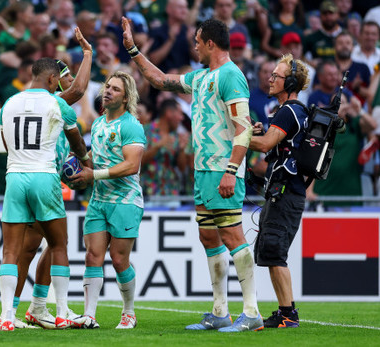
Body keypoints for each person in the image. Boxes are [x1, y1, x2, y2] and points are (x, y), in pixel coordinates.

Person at [122, 17, 262, 332]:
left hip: (220, 168)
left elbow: (243, 129)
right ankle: (220, 311)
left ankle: (251, 312)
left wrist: (231, 169)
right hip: (202, 171)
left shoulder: (231, 76)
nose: (194, 46)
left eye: (197, 41)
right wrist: (132, 48)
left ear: (210, 43)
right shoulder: (200, 78)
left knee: (232, 236)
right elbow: (158, 79)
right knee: (209, 236)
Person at [0, 57, 91, 331]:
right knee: (59, 244)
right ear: (52, 80)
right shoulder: (57, 104)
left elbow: (6, 142)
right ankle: (61, 312)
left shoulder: (9, 103)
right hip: (44, 176)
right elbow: (77, 141)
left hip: (14, 176)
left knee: (10, 252)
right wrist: (86, 162)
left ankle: (5, 317)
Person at [70, 70, 146, 329]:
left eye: (115, 89)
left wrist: (94, 174)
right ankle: (89, 316)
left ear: (126, 98)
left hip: (125, 200)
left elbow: (132, 165)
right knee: (92, 255)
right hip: (99, 200)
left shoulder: (131, 125)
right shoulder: (100, 123)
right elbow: (95, 159)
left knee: (119, 259)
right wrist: (78, 165)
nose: (108, 91)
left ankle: (129, 312)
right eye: (107, 87)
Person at [248, 54, 310, 328]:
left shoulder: (289, 111)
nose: (270, 79)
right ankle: (285, 311)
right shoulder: (295, 112)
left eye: (276, 75)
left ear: (292, 82)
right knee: (272, 252)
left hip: (285, 192)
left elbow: (264, 147)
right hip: (283, 191)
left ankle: (289, 314)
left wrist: (234, 137)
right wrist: (260, 134)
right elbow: (273, 146)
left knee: (275, 251)